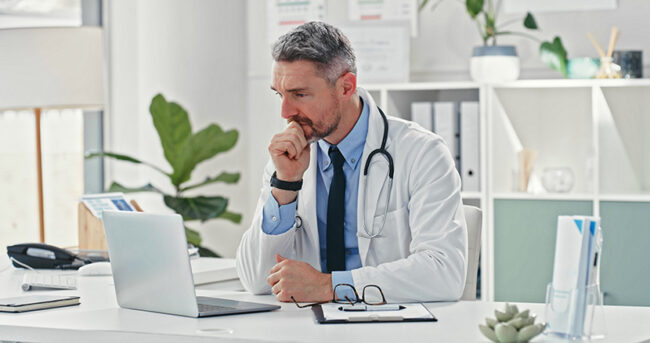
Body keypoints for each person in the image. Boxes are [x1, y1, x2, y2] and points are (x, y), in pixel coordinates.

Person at [236, 22, 467, 303]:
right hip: (309, 327)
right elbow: (256, 281)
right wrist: (285, 186)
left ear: (346, 87)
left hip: (395, 327)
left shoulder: (422, 153)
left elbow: (445, 274)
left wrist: (329, 286)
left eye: (300, 94)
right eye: (279, 95)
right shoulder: (287, 159)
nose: (286, 112)